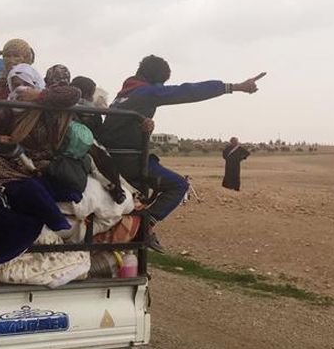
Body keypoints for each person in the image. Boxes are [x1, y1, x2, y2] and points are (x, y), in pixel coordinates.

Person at [96, 55, 266, 252]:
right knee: (179, 185)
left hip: (111, 159)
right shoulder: (145, 92)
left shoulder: (122, 96)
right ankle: (142, 227)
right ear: (156, 80)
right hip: (129, 162)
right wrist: (235, 87)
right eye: (162, 84)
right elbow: (188, 91)